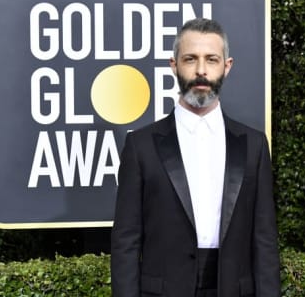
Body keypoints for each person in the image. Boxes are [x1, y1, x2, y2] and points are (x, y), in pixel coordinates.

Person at [111, 18, 280, 297]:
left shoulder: (254, 145)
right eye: (190, 59)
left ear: (227, 66)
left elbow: (264, 241)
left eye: (211, 59)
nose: (201, 70)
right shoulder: (140, 146)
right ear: (174, 65)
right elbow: (125, 243)